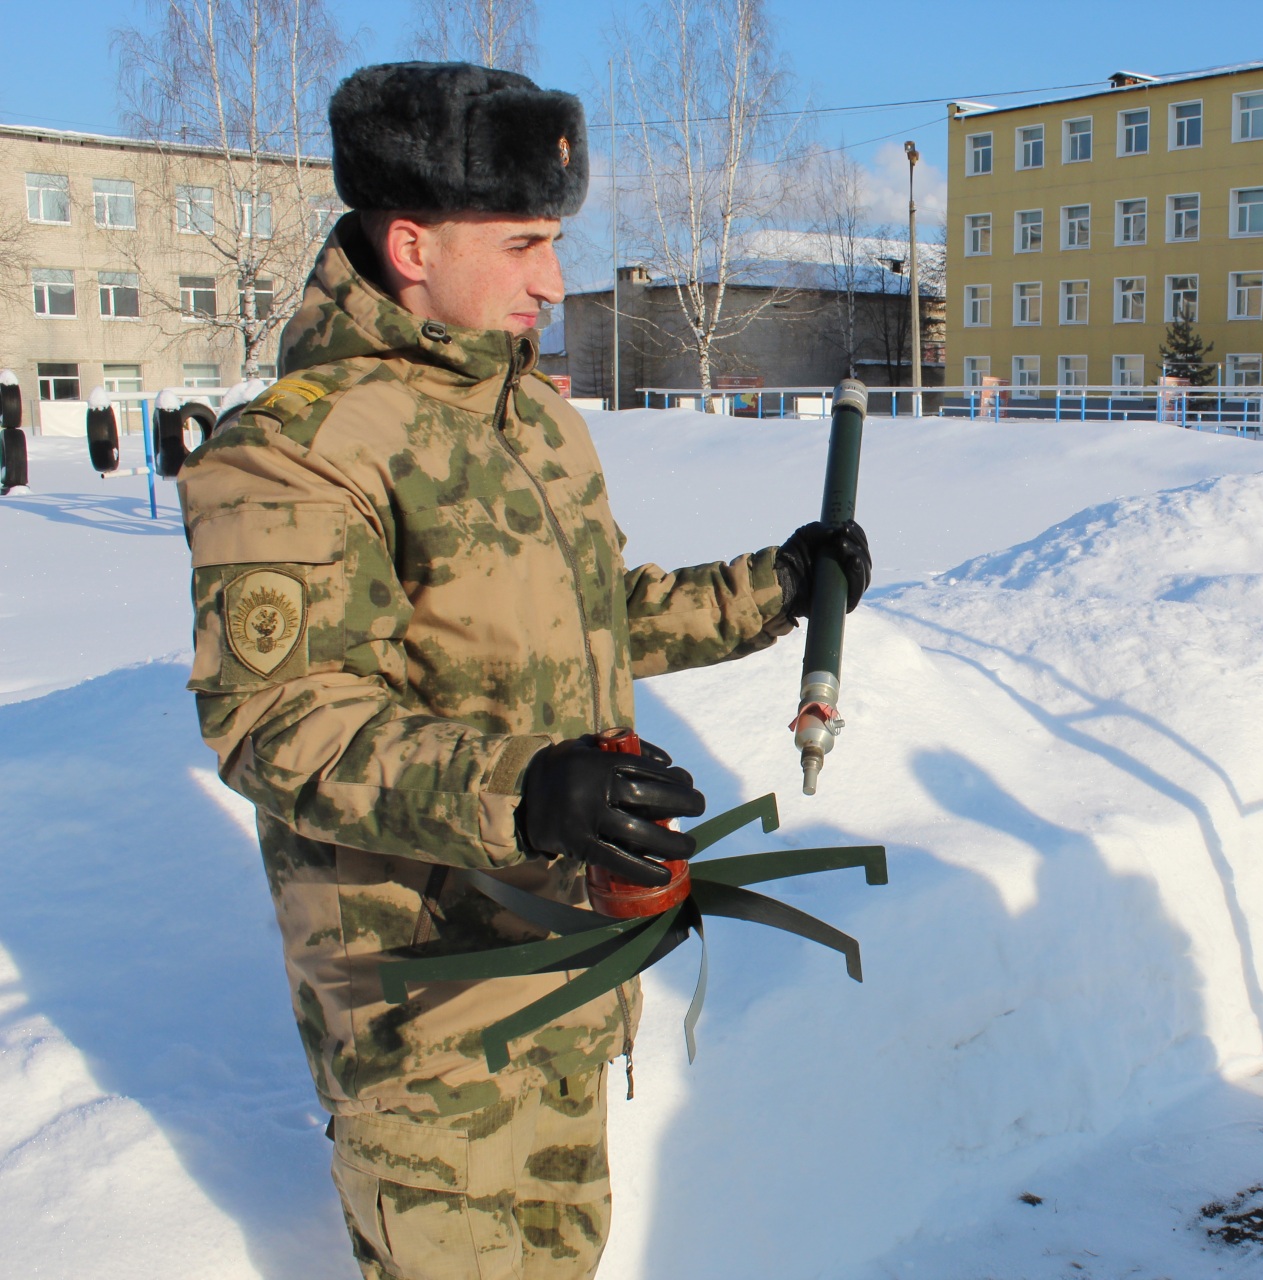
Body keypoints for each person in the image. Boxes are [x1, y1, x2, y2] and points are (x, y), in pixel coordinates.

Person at [177, 63, 870, 1280]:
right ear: (410, 244)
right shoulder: (297, 450)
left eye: (554, 241)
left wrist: (780, 580)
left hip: (568, 969)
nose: (552, 279)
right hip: (430, 1012)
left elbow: (599, 615)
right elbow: (280, 722)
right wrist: (529, 792)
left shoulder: (535, 423)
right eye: (523, 243)